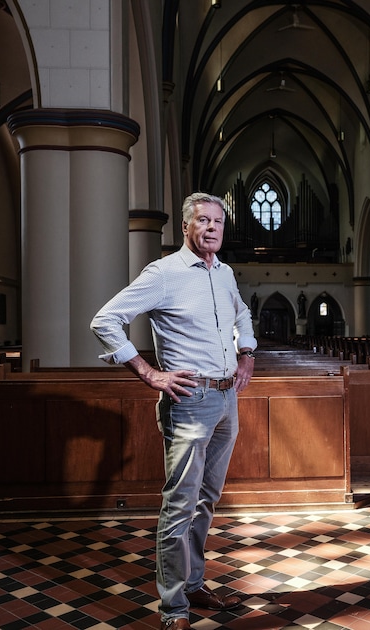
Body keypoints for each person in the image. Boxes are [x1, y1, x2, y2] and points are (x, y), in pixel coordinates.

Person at [91, 192, 256, 630]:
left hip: (226, 399)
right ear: (185, 227)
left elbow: (243, 313)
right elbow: (105, 320)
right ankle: (173, 608)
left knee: (207, 499)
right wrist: (148, 372)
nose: (212, 228)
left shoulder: (225, 274)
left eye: (218, 221)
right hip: (190, 400)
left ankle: (194, 583)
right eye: (203, 220)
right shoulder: (163, 274)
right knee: (180, 506)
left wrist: (248, 353)